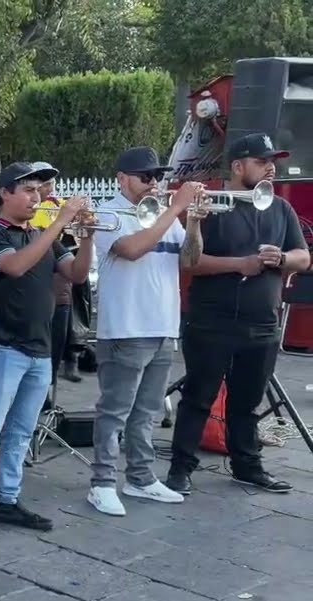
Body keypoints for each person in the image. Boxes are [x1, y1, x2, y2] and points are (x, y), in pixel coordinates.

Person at [169, 132, 310, 495]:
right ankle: (181, 468)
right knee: (199, 397)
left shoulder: (281, 208)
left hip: (261, 322)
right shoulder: (212, 203)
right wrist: (239, 264)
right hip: (212, 320)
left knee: (247, 402)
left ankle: (247, 465)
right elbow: (191, 262)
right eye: (262, 162)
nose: (270, 168)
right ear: (237, 165)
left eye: (271, 162)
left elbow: (304, 257)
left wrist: (280, 258)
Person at [0, 162, 93, 544]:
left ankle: (7, 499)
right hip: (3, 348)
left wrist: (85, 236)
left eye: (40, 190)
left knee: (21, 432)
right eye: (29, 190)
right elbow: (16, 266)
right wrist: (60, 220)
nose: (37, 197)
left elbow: (77, 275)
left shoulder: (42, 234)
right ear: (5, 193)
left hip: (39, 348)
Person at [86, 148, 207, 516]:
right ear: (122, 178)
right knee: (115, 411)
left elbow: (190, 261)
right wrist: (175, 208)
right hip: (126, 327)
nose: (154, 183)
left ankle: (139, 477)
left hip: (163, 325)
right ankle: (102, 483)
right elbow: (132, 249)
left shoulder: (163, 216)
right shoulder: (109, 213)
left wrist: (195, 221)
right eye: (145, 176)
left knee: (147, 411)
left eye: (157, 176)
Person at [28, 168, 83, 388]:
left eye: (51, 183)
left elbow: (71, 246)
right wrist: (59, 222)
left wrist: (84, 234)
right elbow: (37, 236)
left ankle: (70, 357)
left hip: (60, 268)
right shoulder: (35, 209)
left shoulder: (60, 204)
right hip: (39, 273)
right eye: (42, 185)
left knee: (70, 300)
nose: (49, 189)